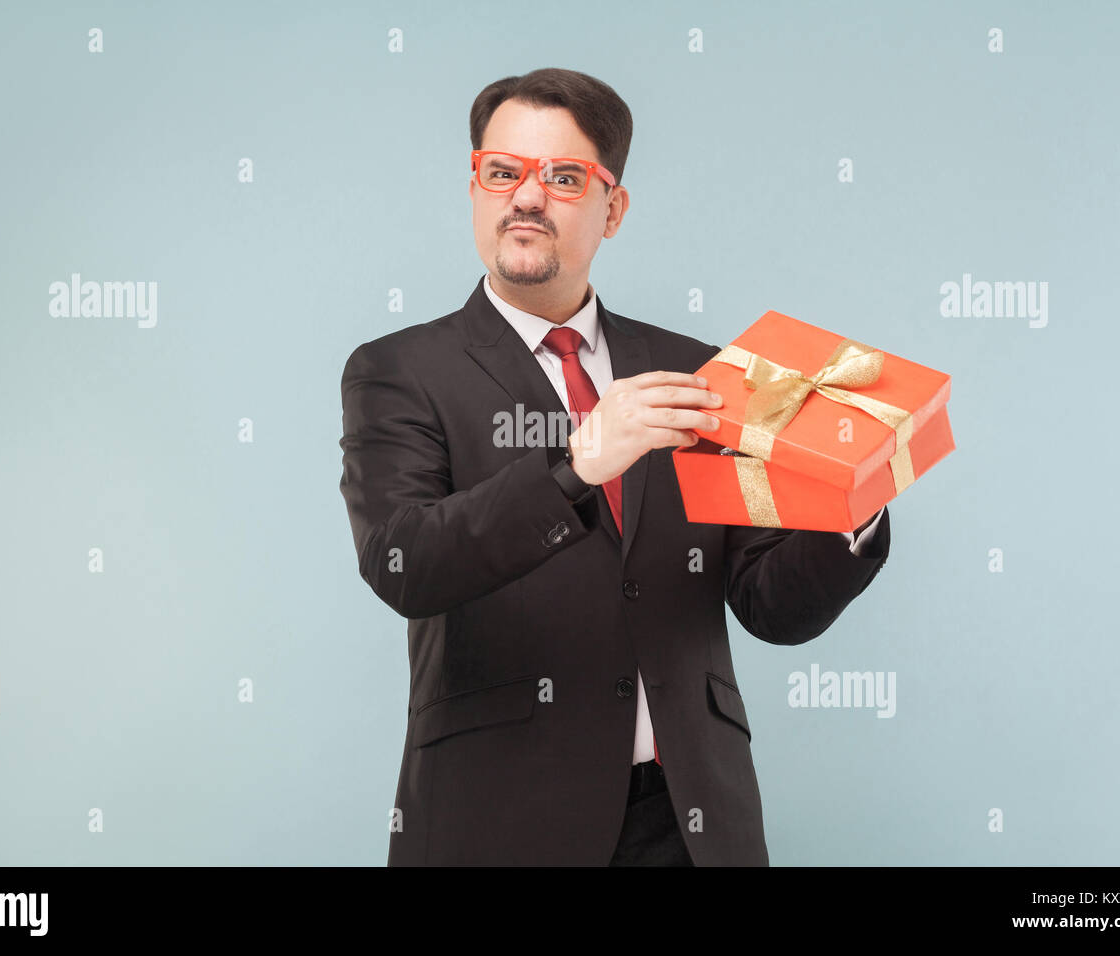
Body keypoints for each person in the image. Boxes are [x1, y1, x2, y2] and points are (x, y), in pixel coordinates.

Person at [338, 68, 889, 866]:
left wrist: (853, 501)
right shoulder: (398, 369)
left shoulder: (699, 372)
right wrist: (577, 465)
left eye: (565, 177)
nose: (527, 198)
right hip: (500, 819)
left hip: (692, 821)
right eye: (504, 172)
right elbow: (405, 562)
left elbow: (770, 604)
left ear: (613, 208)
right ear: (475, 188)